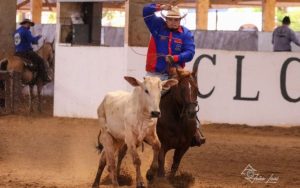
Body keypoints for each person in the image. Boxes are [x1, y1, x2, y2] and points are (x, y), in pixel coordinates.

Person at [143, 3, 205, 147]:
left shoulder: (186, 34)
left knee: (188, 98)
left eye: (176, 19)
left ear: (180, 20)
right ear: (165, 19)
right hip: (155, 74)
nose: (173, 22)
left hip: (176, 73)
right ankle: (139, 127)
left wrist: (175, 58)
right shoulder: (157, 26)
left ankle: (194, 131)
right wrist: (161, 7)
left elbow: (190, 53)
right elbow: (146, 11)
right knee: (144, 98)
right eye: (170, 19)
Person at [13, 19, 51, 83]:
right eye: (29, 24)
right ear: (26, 24)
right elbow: (33, 40)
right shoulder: (26, 31)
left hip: (17, 53)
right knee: (41, 61)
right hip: (26, 52)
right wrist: (39, 37)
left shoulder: (16, 31)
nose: (29, 26)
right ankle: (44, 77)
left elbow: (24, 41)